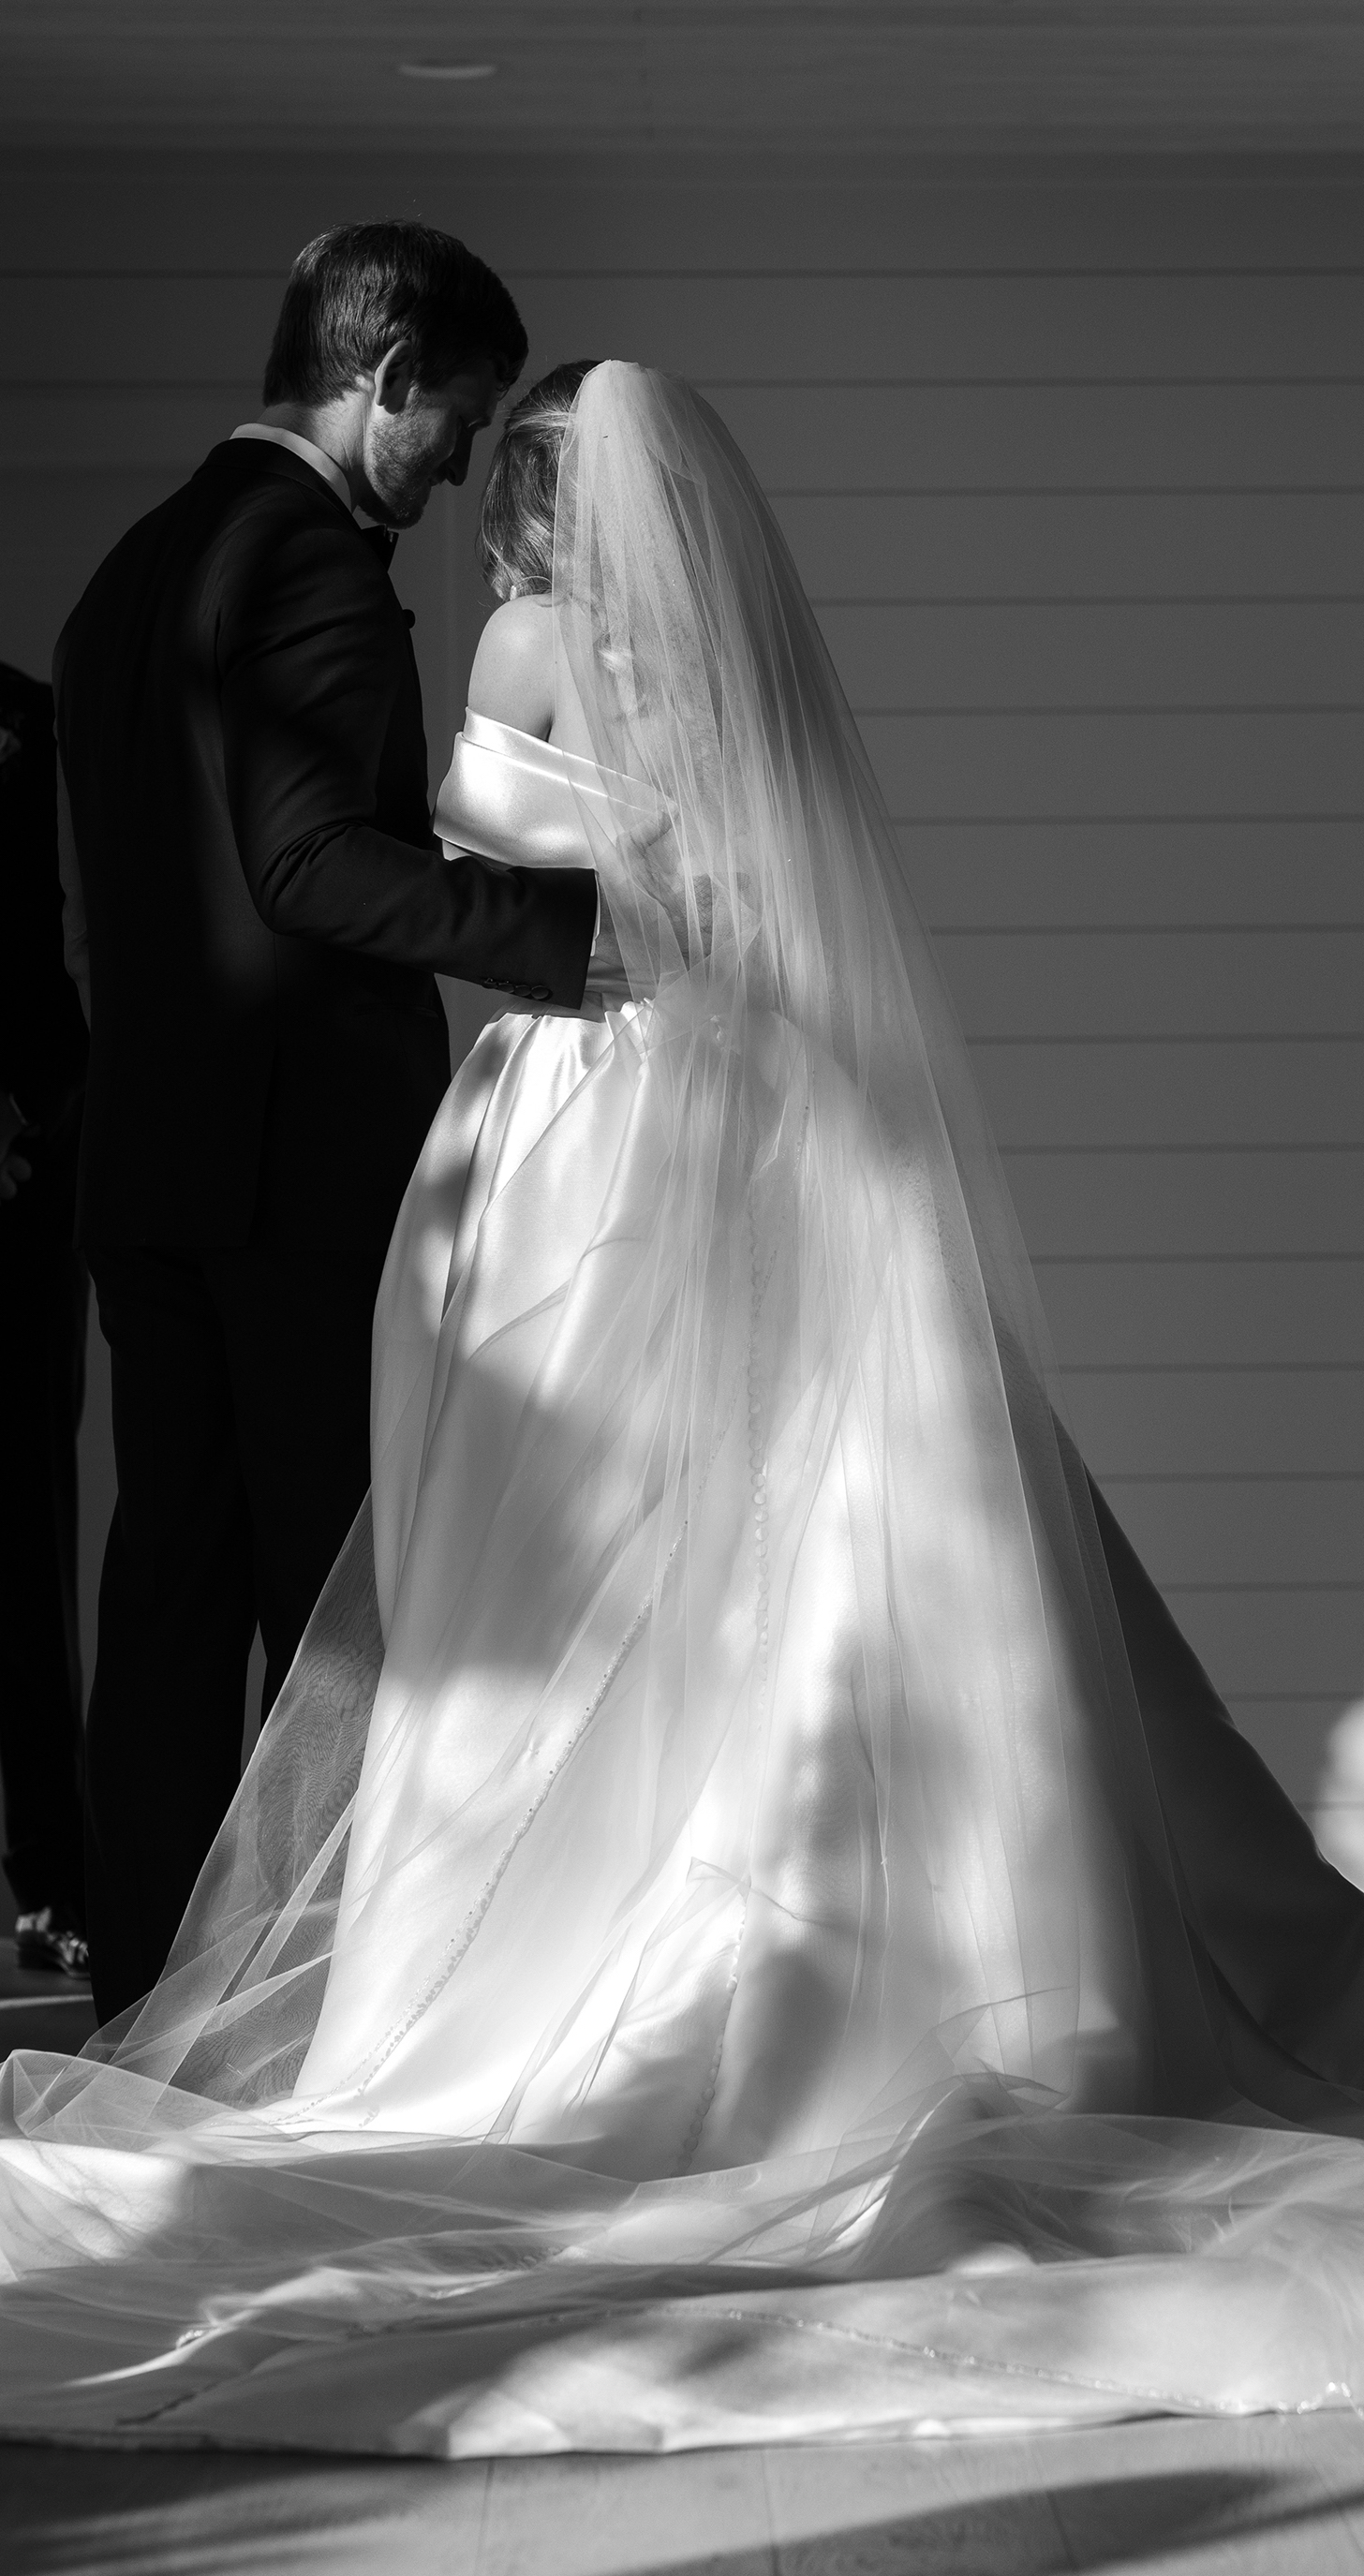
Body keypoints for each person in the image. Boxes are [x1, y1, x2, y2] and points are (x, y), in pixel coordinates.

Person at [0, 363, 1364, 2451]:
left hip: (559, 1141)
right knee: (737, 1570)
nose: (489, 541)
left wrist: (562, 930)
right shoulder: (722, 680)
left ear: (532, 516)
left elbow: (416, 872)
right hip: (735, 1119)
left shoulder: (500, 645)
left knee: (512, 1589)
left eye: (507, 505)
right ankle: (838, 1965)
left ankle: (506, 1979)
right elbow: (754, 908)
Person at [52, 226, 618, 2024]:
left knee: (164, 1591)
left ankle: (150, 1994)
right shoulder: (302, 558)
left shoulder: (125, 577)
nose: (458, 465)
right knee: (328, 1607)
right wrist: (575, 937)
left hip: (145, 1162)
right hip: (293, 1174)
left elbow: (116, 905)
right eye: (449, 421)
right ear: (381, 379)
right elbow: (308, 864)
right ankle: (312, 2007)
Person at [0, 660, 89, 1977]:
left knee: (29, 1532)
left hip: (29, 1178)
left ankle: (54, 1882)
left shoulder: (31, 714)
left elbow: (64, 934)